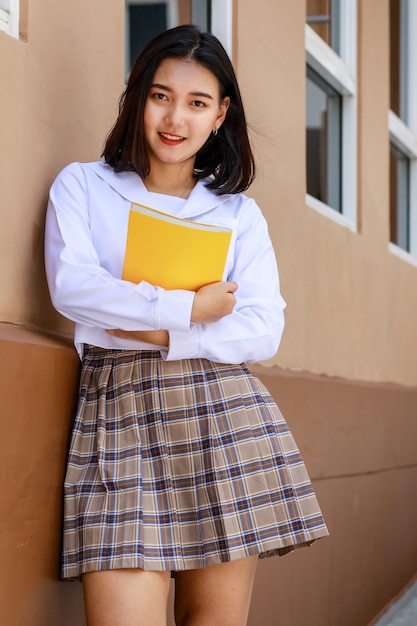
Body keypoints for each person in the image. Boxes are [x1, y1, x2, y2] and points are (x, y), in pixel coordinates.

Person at [44, 24, 328, 626]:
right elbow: (74, 289)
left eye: (197, 103)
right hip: (117, 414)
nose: (176, 118)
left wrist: (151, 324)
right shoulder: (84, 186)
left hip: (222, 412)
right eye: (160, 95)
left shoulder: (237, 216)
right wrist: (189, 309)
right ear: (137, 97)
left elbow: (262, 328)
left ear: (221, 114)